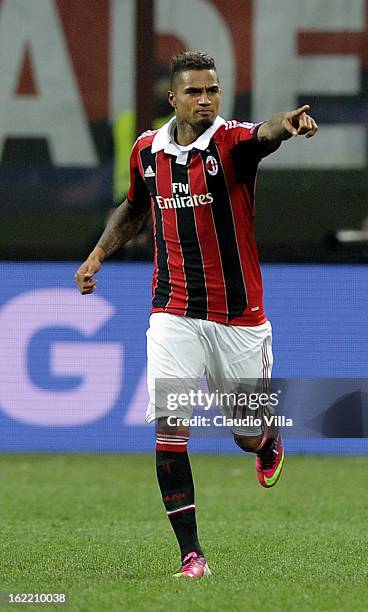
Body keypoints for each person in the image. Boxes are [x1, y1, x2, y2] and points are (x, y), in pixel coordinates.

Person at [75, 51, 318, 579]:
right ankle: (192, 554)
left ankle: (265, 441)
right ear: (173, 99)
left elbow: (265, 133)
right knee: (170, 424)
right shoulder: (147, 150)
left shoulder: (230, 142)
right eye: (194, 92)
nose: (205, 99)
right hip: (173, 310)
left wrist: (288, 125)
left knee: (246, 432)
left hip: (239, 317)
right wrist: (98, 254)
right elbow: (135, 206)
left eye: (212, 90)